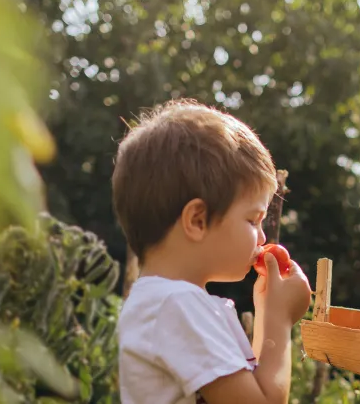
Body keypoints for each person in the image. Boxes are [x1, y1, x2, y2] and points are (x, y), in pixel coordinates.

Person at [112, 98, 313, 404]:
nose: (261, 237)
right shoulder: (178, 305)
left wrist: (266, 315)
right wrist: (279, 321)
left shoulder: (162, 303)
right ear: (198, 220)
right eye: (253, 219)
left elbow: (253, 390)